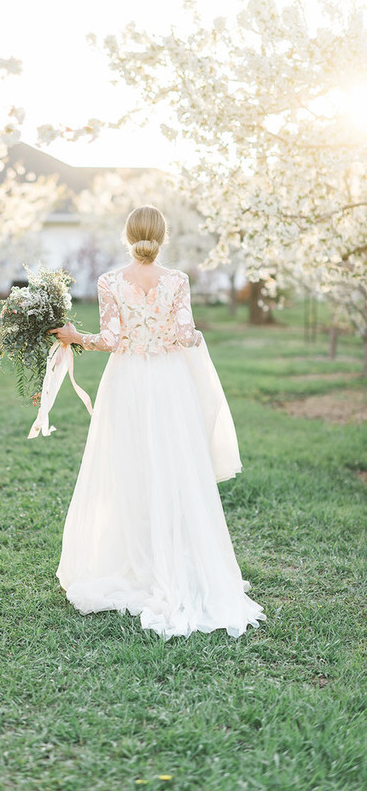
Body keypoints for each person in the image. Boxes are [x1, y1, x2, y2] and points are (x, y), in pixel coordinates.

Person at [49, 206, 266, 639]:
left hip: (127, 381)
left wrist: (75, 338)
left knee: (128, 468)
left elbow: (111, 340)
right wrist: (188, 338)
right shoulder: (176, 281)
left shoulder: (110, 281)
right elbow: (185, 335)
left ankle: (133, 559)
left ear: (127, 236)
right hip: (169, 383)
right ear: (163, 237)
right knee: (175, 466)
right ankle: (174, 558)